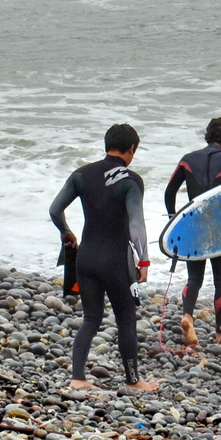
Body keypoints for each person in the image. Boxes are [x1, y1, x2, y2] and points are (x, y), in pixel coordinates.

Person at [50, 123, 156, 392]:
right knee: (126, 320)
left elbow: (54, 209)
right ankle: (133, 381)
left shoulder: (81, 174)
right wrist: (143, 261)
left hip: (86, 257)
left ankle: (78, 378)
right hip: (115, 261)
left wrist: (67, 232)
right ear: (131, 149)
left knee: (91, 319)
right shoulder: (131, 181)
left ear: (107, 144)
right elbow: (136, 225)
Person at [165, 117, 221, 348]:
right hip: (220, 233)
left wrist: (174, 220)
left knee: (194, 278)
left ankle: (187, 316)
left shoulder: (187, 160)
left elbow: (169, 192)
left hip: (194, 228)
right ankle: (219, 334)